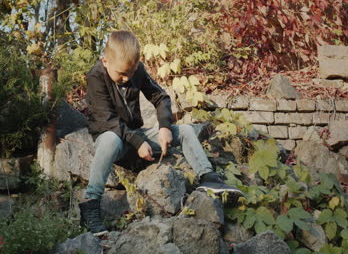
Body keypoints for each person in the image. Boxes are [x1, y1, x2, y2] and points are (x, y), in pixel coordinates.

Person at [79, 30, 243, 235]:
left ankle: (208, 177)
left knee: (183, 130)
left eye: (130, 73)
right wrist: (138, 142)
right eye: (121, 73)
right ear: (105, 61)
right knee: (110, 140)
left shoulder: (135, 71)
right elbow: (107, 120)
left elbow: (160, 97)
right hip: (114, 140)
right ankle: (91, 203)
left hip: (135, 136)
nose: (126, 78)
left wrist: (164, 127)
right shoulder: (96, 77)